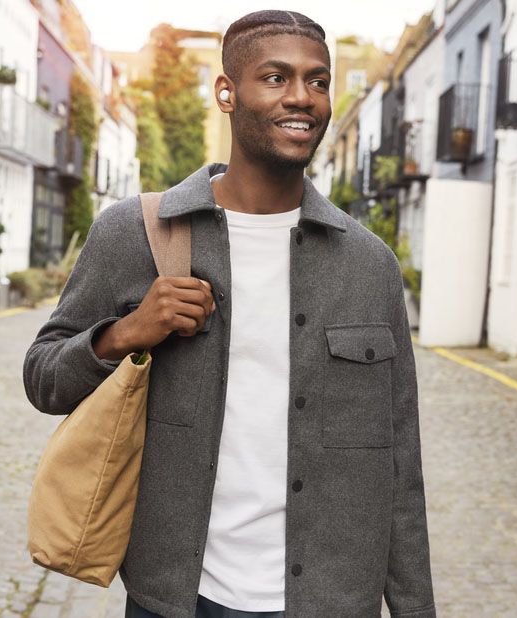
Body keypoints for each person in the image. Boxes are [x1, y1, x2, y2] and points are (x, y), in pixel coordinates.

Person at [23, 9, 434, 618]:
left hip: (331, 599)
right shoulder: (137, 232)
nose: (303, 97)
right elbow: (43, 378)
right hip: (179, 596)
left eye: (318, 81)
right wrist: (130, 331)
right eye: (275, 77)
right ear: (226, 92)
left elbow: (400, 461)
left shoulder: (368, 266)